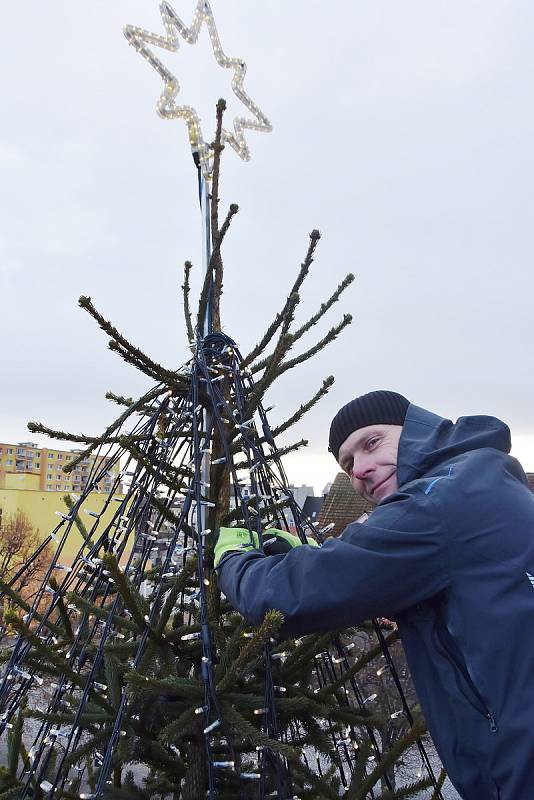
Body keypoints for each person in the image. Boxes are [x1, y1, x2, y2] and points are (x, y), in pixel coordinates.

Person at [215, 390, 534, 800]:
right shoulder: (475, 478)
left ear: (415, 428)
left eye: (372, 442)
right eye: (348, 464)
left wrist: (233, 560)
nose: (362, 469)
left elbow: (282, 599)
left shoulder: (437, 503)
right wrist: (316, 558)